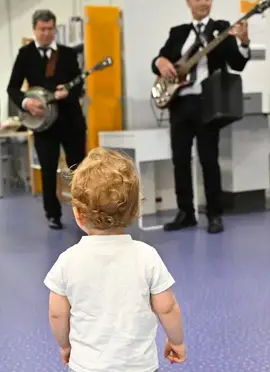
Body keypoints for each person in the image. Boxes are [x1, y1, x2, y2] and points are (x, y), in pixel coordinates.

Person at [44, 148, 186, 371]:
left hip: (86, 366)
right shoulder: (147, 256)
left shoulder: (67, 261)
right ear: (135, 210)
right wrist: (176, 341)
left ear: (78, 214)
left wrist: (65, 346)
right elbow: (167, 308)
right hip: (139, 366)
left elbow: (57, 313)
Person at [151, 0, 251, 234]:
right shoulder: (178, 33)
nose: (203, 2)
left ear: (212, 0)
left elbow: (238, 63)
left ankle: (215, 214)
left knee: (209, 159)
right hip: (180, 103)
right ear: (188, 2)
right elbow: (158, 61)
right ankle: (186, 213)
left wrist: (244, 42)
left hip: (208, 103)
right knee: (180, 160)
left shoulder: (221, 29)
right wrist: (160, 62)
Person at [7, 9, 86, 230]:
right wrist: (26, 102)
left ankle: (85, 212)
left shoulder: (67, 54)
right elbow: (12, 87)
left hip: (70, 120)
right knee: (48, 169)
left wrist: (68, 92)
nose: (46, 33)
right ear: (34, 29)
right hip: (42, 123)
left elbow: (79, 84)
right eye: (42, 29)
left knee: (78, 169)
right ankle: (53, 214)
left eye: (50, 29)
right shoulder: (25, 54)